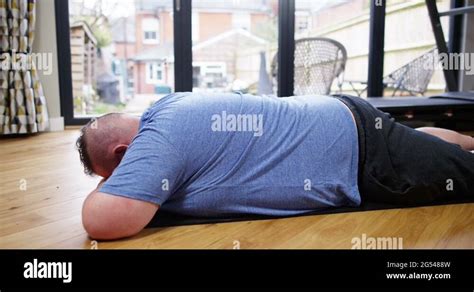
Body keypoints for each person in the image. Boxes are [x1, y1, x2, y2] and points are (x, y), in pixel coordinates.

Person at [76, 93, 474, 240]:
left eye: (114, 176)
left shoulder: (154, 144)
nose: (122, 183)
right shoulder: (167, 105)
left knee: (462, 173)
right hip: (345, 116)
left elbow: (103, 221)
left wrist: (113, 186)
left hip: (363, 155)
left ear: (122, 153)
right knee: (415, 141)